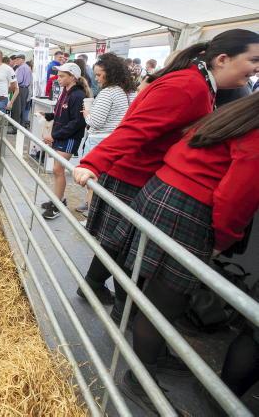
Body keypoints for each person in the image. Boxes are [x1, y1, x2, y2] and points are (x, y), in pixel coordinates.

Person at [72, 29, 259, 308]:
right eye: (253, 60)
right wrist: (91, 162)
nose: (256, 69)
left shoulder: (198, 84)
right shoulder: (189, 86)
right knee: (124, 250)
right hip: (134, 174)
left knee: (120, 245)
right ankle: (120, 311)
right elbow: (136, 128)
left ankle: (98, 290)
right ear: (222, 59)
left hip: (139, 173)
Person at [116, 93, 259, 411]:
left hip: (163, 192)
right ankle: (140, 380)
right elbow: (236, 198)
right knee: (164, 303)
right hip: (189, 210)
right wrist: (223, 239)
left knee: (155, 293)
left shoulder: (237, 113)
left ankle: (153, 357)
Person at [75, 54, 136, 216]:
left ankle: (90, 213)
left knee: (92, 179)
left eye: (99, 74)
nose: (96, 78)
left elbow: (96, 122)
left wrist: (87, 114)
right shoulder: (125, 91)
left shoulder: (108, 92)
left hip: (99, 140)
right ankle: (89, 206)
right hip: (113, 138)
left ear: (111, 73)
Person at [39, 63, 90, 220]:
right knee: (57, 170)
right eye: (58, 75)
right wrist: (48, 115)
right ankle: (58, 199)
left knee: (58, 170)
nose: (58, 79)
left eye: (62, 76)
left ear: (72, 77)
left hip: (68, 138)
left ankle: (58, 205)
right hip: (61, 136)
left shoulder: (78, 95)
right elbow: (60, 113)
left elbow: (77, 122)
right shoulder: (65, 92)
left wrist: (55, 136)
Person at [12, 54, 32, 128]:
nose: (16, 61)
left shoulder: (21, 68)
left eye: (18, 59)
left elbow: (19, 80)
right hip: (25, 89)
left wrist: (11, 83)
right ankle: (21, 126)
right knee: (22, 108)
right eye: (16, 59)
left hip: (20, 89)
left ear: (23, 60)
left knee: (17, 109)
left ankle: (15, 128)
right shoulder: (27, 67)